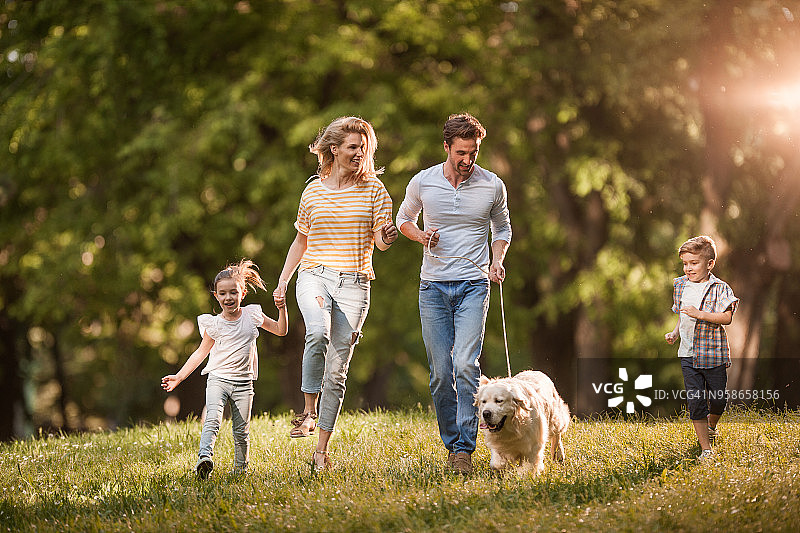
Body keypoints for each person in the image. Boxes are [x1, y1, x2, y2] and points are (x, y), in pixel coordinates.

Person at [273, 116, 396, 472]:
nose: (360, 154)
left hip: (355, 282)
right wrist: (283, 281)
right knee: (317, 332)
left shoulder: (375, 190)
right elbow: (301, 240)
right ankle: (308, 410)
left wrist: (387, 236)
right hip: (314, 275)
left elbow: (380, 242)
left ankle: (321, 451)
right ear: (334, 149)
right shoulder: (312, 190)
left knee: (338, 372)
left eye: (364, 148)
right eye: (353, 147)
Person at [396, 113, 511, 474]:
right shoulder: (423, 181)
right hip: (432, 287)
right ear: (446, 147)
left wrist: (496, 260)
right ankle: (451, 443)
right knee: (441, 372)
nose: (467, 160)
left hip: (474, 285)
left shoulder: (492, 185)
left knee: (465, 364)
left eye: (473, 152)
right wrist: (420, 236)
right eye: (461, 152)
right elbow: (404, 220)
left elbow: (502, 227)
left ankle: (464, 448)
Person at [162, 259, 288, 478]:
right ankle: (204, 458)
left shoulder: (252, 315)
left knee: (241, 431)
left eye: (233, 292)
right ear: (216, 296)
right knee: (212, 419)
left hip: (244, 383)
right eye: (222, 293)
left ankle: (240, 471)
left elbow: (280, 330)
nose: (228, 298)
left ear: (243, 293)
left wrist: (282, 309)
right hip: (218, 380)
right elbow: (200, 353)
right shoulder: (214, 324)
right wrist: (179, 377)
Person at [665, 236, 738, 462]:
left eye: (694, 263)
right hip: (687, 354)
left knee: (718, 399)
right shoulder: (680, 285)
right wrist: (675, 332)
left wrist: (701, 314)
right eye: (685, 263)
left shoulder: (719, 288)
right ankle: (706, 449)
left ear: (709, 264)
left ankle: (712, 425)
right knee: (696, 400)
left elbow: (727, 317)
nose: (688, 268)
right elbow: (682, 314)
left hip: (712, 353)